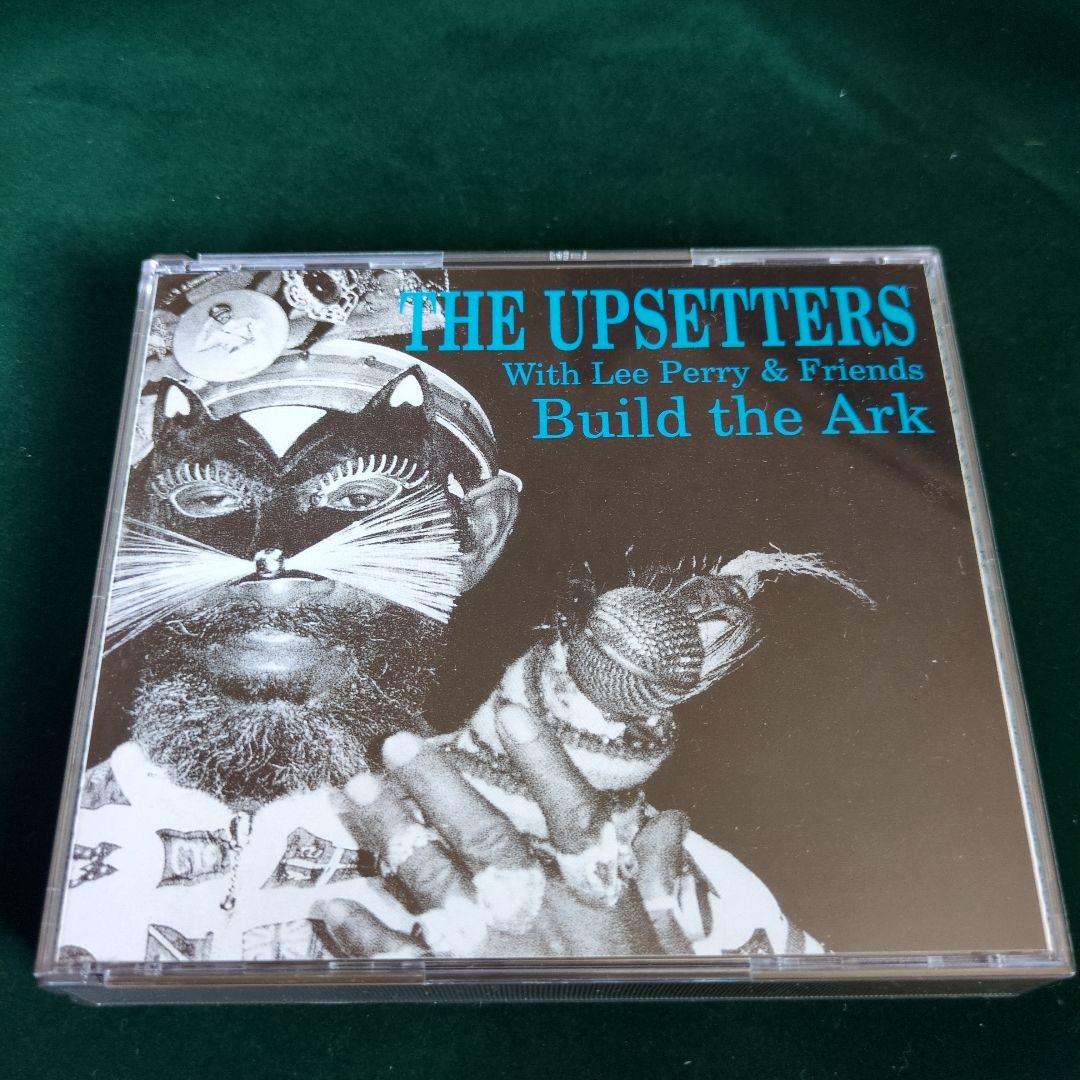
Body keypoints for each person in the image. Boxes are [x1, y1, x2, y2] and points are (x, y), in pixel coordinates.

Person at [59, 334, 835, 964]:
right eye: (208, 498)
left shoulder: (661, 896)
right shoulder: (40, 847)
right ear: (132, 535)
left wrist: (616, 1013)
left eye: (357, 498)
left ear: (475, 536)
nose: (274, 558)